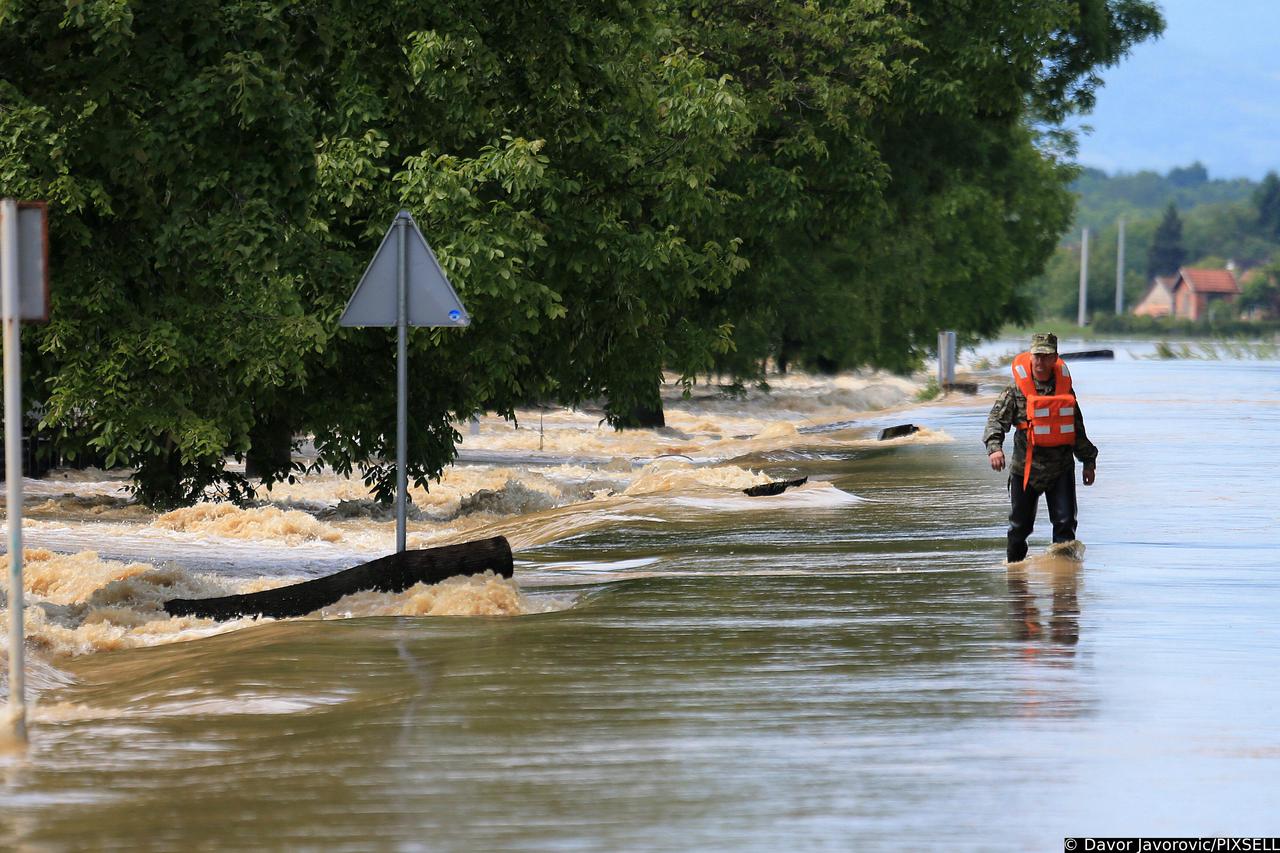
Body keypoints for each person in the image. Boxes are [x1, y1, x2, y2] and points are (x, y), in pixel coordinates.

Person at [983, 332, 1098, 563]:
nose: (1040, 362)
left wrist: (1088, 461)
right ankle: (1015, 579)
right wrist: (995, 448)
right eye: (1037, 356)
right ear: (1030, 356)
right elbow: (995, 421)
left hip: (1061, 470)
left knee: (1065, 529)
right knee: (1019, 530)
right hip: (1025, 470)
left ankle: (1064, 585)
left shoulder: (1065, 391)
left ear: (1055, 358)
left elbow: (1076, 429)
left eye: (1046, 356)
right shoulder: (1016, 390)